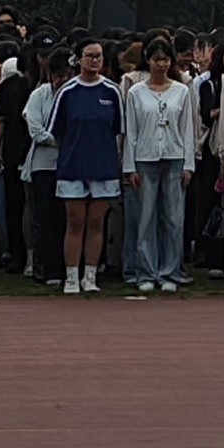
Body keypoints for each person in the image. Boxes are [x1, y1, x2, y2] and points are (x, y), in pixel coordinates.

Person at [117, 43, 195, 296]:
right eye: (156, 59)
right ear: (148, 61)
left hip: (174, 158)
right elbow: (131, 132)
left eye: (165, 60)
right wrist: (129, 166)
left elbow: (187, 129)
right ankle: (146, 272)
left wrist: (188, 164)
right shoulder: (136, 92)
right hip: (145, 158)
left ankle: (170, 272)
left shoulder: (182, 91)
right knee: (146, 217)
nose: (161, 65)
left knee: (173, 218)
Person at [51, 41, 124, 295]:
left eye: (98, 56)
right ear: (79, 59)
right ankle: (71, 276)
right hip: (73, 165)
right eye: (89, 56)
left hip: (103, 166)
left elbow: (118, 129)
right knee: (75, 222)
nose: (94, 61)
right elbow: (57, 131)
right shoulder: (67, 92)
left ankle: (90, 276)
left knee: (96, 222)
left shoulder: (112, 91)